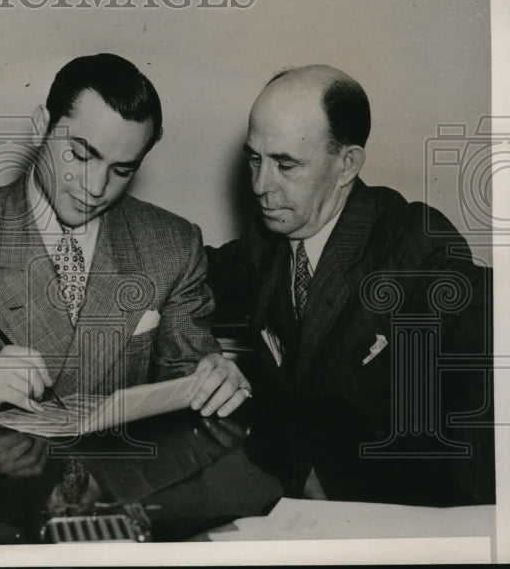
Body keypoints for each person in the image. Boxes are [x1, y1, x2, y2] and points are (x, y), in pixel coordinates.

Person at [0, 53, 248, 419]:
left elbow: (189, 381)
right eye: (81, 155)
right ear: (41, 125)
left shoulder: (173, 246)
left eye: (122, 171)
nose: (96, 187)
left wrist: (214, 384)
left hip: (121, 481)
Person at [206, 64, 493, 505]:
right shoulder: (266, 244)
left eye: (286, 164)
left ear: (347, 164)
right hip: (297, 504)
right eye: (255, 158)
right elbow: (190, 269)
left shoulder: (414, 244)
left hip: (396, 514)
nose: (261, 185)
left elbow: (484, 399)